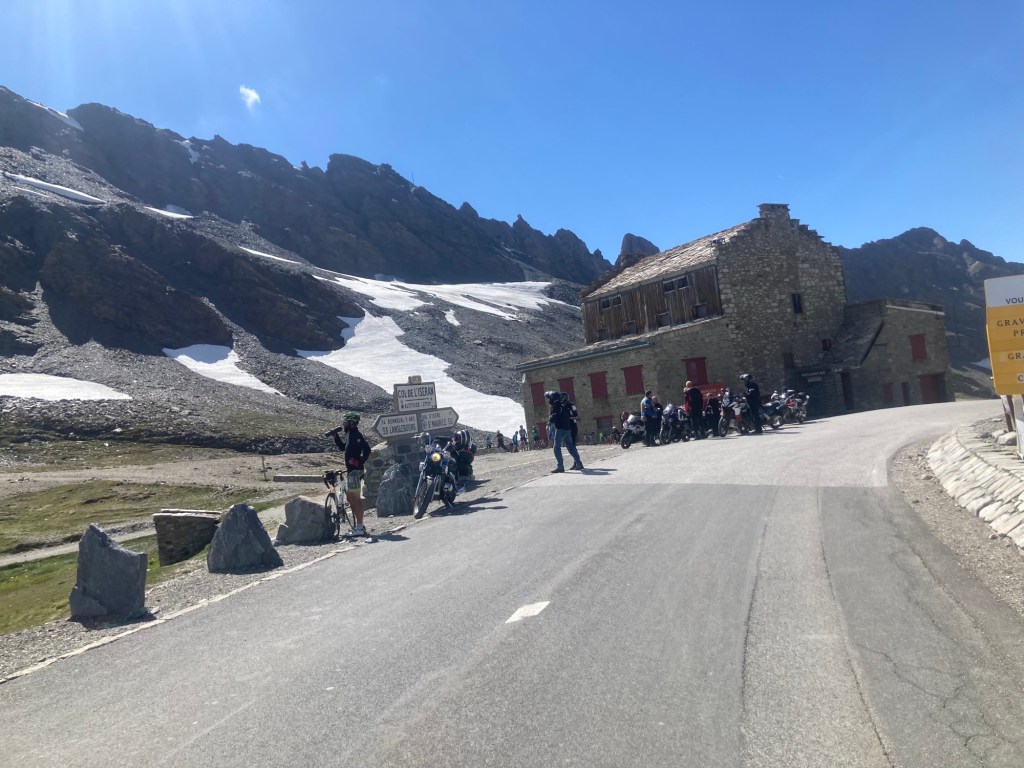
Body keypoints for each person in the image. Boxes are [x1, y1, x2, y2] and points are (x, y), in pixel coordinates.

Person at [328, 411, 372, 536]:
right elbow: (343, 448)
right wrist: (336, 437)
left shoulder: (356, 435)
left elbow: (367, 450)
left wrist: (359, 461)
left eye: (346, 422)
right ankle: (358, 525)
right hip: (351, 471)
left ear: (352, 423)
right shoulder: (351, 435)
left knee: (356, 499)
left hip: (355, 472)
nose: (344, 423)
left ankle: (360, 528)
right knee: (350, 498)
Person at [547, 390, 583, 472]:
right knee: (571, 446)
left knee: (558, 447)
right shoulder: (562, 405)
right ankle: (578, 463)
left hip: (568, 427)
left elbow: (576, 416)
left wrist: (552, 418)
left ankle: (561, 466)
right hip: (568, 427)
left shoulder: (568, 405)